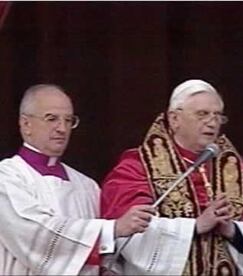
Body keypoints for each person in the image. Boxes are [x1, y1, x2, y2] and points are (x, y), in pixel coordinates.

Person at [100, 79, 243, 275]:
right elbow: (128, 232)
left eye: (218, 116)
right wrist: (195, 226)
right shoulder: (138, 166)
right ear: (174, 119)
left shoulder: (240, 171)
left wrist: (232, 230)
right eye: (202, 114)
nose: (212, 122)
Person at [0, 84, 155, 275]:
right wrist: (112, 229)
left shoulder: (87, 186)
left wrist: (110, 266)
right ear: (26, 124)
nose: (62, 128)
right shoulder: (7, 177)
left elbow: (108, 253)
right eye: (52, 119)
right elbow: (35, 234)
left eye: (68, 120)